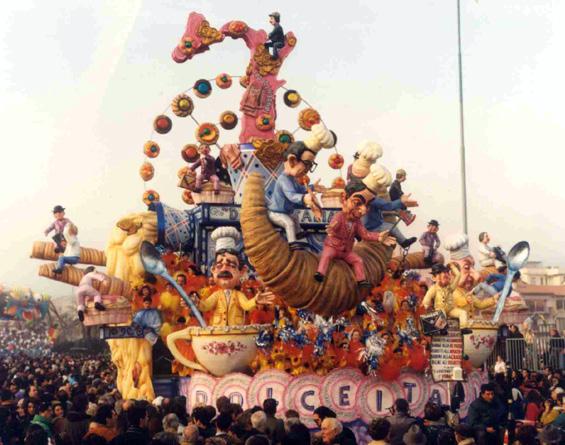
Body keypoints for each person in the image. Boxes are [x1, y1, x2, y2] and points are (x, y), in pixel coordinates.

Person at [315, 181, 396, 290]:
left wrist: (379, 237)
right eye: (357, 203)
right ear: (344, 199)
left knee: (358, 260)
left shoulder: (357, 222)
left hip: (346, 252)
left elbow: (365, 234)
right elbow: (333, 226)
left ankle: (361, 280)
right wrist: (331, 229)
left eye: (367, 206)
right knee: (326, 255)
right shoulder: (339, 217)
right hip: (333, 247)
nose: (363, 210)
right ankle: (320, 273)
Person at [198, 227, 274, 326]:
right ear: (213, 270)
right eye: (219, 266)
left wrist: (255, 300)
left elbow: (246, 305)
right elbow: (206, 306)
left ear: (241, 271)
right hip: (218, 332)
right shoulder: (216, 295)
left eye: (232, 265)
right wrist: (195, 303)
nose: (224, 269)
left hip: (236, 331)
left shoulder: (238, 295)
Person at [267, 139, 327, 249]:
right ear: (292, 161)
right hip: (276, 213)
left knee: (294, 216)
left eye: (310, 166)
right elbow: (291, 195)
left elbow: (299, 189)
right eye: (307, 164)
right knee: (289, 223)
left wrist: (312, 187)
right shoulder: (283, 179)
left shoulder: (293, 179)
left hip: (287, 211)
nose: (308, 170)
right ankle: (292, 243)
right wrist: (304, 198)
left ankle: (298, 233)